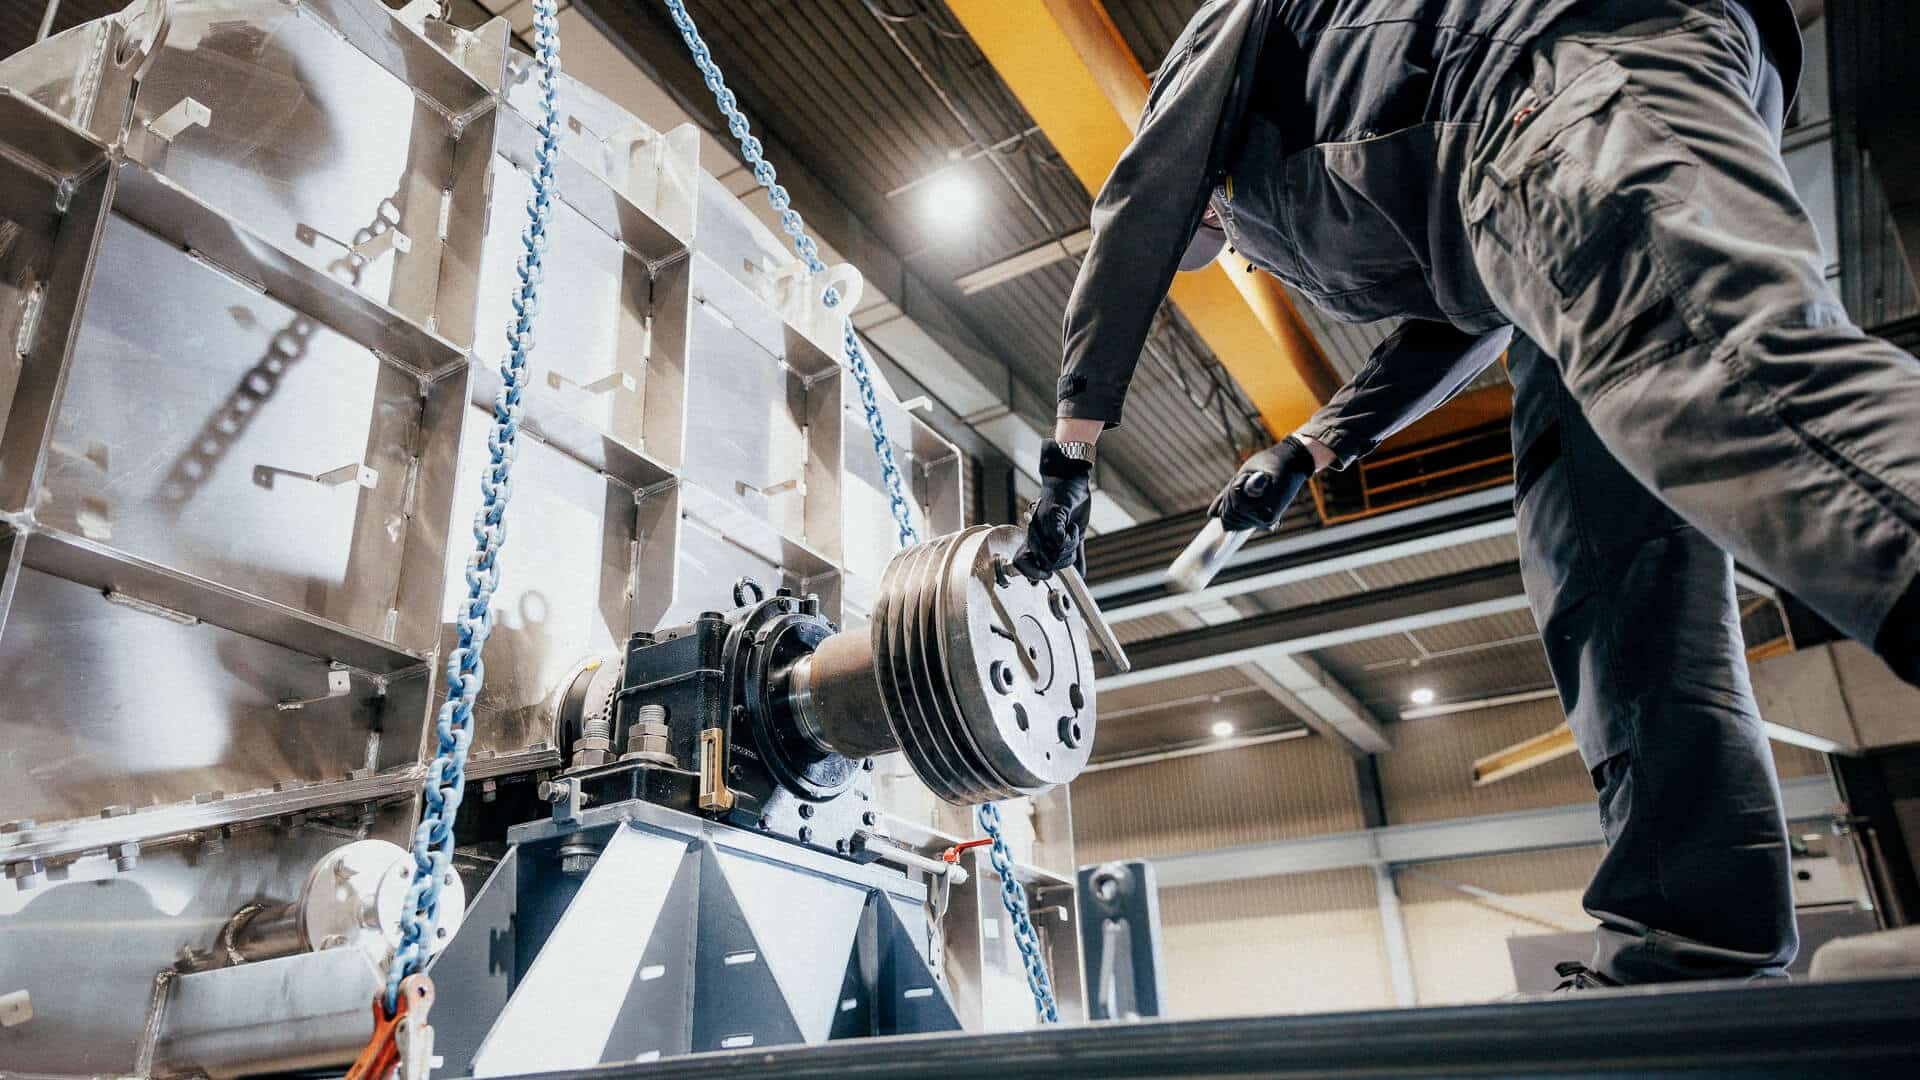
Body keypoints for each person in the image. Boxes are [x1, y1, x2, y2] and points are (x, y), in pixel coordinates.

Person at [1012, 0, 1920, 988]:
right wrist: (1317, 445)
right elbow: (1468, 313)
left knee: (1732, 387)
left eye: (1215, 220)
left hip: (1572, 70)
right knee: (1611, 568)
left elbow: (1139, 205)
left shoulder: (1225, 63)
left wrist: (1070, 457)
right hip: (1539, 160)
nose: (1225, 233)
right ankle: (1691, 946)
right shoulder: (1383, 175)